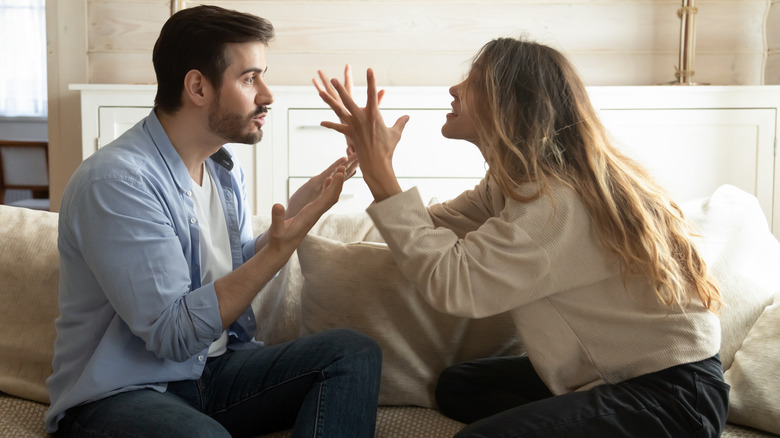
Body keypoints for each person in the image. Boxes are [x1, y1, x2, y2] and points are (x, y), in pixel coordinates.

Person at [314, 37, 729, 438]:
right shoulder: (515, 183)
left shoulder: (557, 203)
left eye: (472, 82)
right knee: (459, 387)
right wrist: (371, 165)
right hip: (621, 376)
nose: (454, 90)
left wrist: (380, 171)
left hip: (673, 396)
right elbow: (426, 229)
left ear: (510, 102)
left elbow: (455, 284)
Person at [45, 5, 382, 437]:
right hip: (120, 392)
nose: (268, 94)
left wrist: (304, 209)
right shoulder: (116, 182)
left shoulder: (222, 167)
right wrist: (279, 251)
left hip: (211, 371)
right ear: (198, 87)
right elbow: (173, 335)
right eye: (249, 78)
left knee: (351, 354)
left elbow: (235, 268)